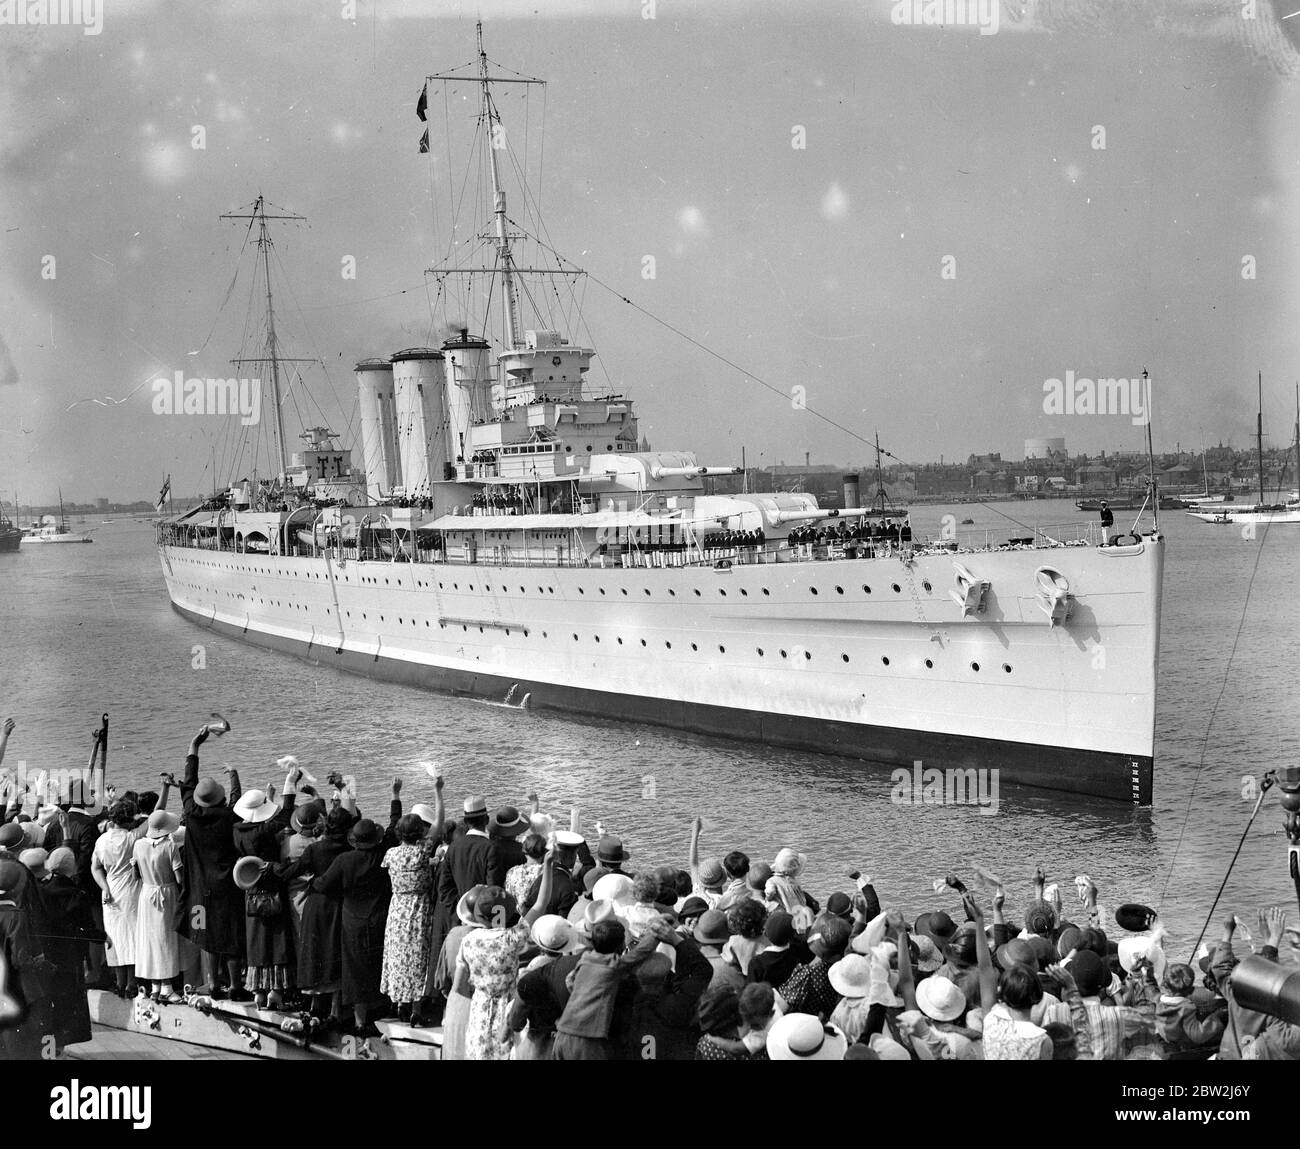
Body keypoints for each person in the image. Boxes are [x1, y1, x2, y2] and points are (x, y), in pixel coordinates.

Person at [458, 856, 556, 1060]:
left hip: (479, 1006)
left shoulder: (468, 940)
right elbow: (540, 904)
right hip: (507, 1008)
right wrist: (547, 866)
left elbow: (460, 983)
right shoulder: (511, 938)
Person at [178, 725, 247, 999]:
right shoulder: (229, 817)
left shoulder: (191, 813)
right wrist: (233, 775)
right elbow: (237, 802)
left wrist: (195, 745)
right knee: (230, 936)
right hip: (226, 885)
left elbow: (188, 780)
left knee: (204, 936)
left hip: (198, 889)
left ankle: (212, 983)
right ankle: (235, 986)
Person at [314, 816, 396, 1036]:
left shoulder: (344, 860)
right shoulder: (383, 855)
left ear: (355, 840)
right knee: (379, 964)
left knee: (354, 969)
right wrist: (395, 799)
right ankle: (381, 1011)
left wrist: (312, 879)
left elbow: (323, 885)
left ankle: (359, 1022)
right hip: (380, 917)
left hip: (352, 920)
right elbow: (393, 829)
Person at [278, 804, 356, 1027]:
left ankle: (315, 1005)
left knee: (315, 953)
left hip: (317, 904)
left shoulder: (316, 849)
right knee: (337, 952)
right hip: (341, 903)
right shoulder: (350, 850)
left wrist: (272, 870)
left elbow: (294, 871)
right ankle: (335, 1008)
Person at [232, 763, 300, 1010]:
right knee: (277, 939)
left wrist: (270, 797)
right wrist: (289, 781)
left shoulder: (237, 831)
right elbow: (286, 813)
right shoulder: (264, 831)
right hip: (273, 885)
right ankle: (276, 991)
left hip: (250, 889)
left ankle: (258, 991)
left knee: (257, 940)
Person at [38, 847, 100, 1050]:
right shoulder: (77, 895)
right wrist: (104, 938)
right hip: (71, 959)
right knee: (68, 1006)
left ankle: (49, 1048)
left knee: (51, 1004)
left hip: (48, 956)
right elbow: (88, 929)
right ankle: (60, 1049)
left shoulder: (41, 892)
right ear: (71, 868)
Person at [380, 811, 439, 1022]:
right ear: (420, 832)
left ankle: (399, 1003)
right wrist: (438, 790)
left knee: (398, 955)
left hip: (397, 908)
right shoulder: (422, 852)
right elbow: (438, 823)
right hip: (419, 907)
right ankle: (417, 1009)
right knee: (418, 955)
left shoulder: (391, 854)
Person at [90, 798, 147, 998]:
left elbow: (95, 868)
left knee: (114, 937)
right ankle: (132, 982)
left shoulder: (101, 840)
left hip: (111, 889)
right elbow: (156, 814)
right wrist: (165, 789)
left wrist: (104, 887)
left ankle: (120, 981)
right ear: (130, 820)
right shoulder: (133, 838)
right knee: (132, 935)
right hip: (130, 889)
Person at [131, 810, 186, 1003]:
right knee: (166, 940)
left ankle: (155, 987)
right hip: (167, 893)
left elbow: (135, 874)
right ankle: (167, 988)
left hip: (147, 894)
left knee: (151, 940)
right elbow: (179, 877)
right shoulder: (170, 846)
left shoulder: (138, 845)